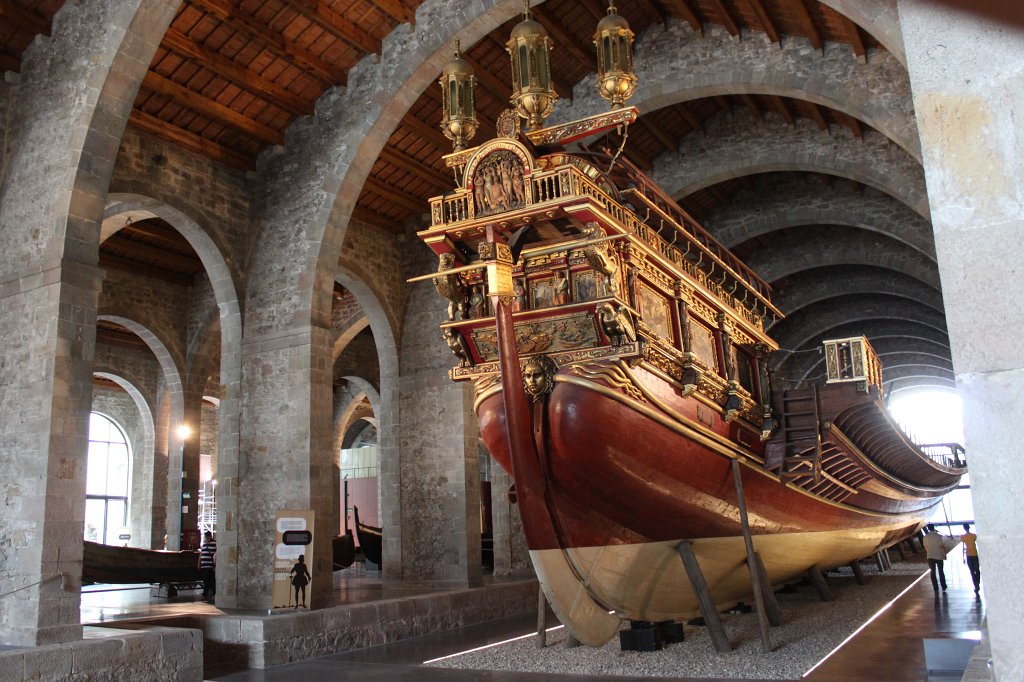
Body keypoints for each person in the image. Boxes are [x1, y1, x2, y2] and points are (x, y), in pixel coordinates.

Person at [922, 524, 959, 593]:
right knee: (941, 571)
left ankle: (935, 588)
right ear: (933, 528)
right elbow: (941, 546)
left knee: (932, 572)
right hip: (939, 556)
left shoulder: (925, 537)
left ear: (928, 529)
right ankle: (943, 586)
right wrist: (944, 554)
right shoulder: (938, 536)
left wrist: (930, 552)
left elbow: (926, 547)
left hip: (930, 556)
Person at [961, 523, 981, 593]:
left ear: (964, 528)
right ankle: (977, 582)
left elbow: (963, 547)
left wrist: (963, 557)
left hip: (968, 555)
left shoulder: (962, 537)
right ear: (969, 527)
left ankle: (976, 585)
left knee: (972, 571)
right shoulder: (974, 536)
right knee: (977, 570)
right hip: (974, 554)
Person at [198, 530, 216, 602]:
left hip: (210, 565)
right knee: (206, 580)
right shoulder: (204, 544)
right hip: (204, 565)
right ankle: (206, 594)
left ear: (210, 536)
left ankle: (206, 594)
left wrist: (214, 565)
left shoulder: (215, 543)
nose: (206, 538)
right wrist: (199, 563)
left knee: (210, 581)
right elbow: (201, 554)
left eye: (207, 537)